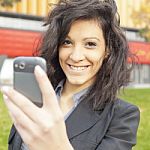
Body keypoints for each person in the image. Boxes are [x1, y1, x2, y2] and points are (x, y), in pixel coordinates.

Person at [1, 0, 140, 150]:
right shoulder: (35, 98)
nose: (75, 56)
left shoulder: (122, 116)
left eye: (90, 44)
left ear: (107, 51)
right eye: (67, 42)